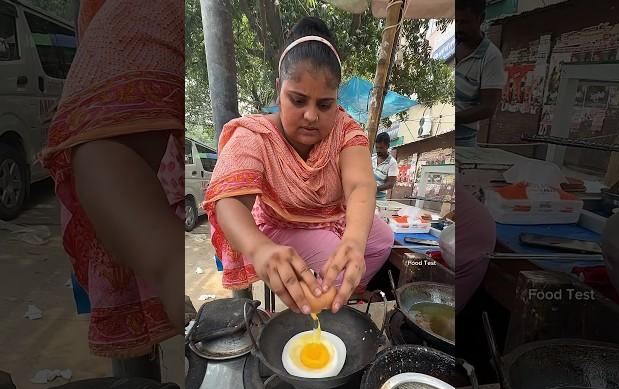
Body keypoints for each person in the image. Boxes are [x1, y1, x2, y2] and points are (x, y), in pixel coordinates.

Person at [203, 17, 394, 315]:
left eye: (324, 105)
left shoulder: (345, 128)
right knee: (337, 264)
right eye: (298, 100)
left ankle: (345, 295)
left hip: (330, 217)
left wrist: (355, 241)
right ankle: (330, 307)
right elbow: (229, 202)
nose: (310, 116)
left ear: (337, 101)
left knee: (383, 241)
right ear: (279, 88)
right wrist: (259, 248)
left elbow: (360, 185)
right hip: (282, 224)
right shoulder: (255, 134)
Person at [40, 0, 184, 362]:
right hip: (111, 182)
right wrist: (167, 261)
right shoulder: (137, 15)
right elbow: (99, 152)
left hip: (140, 170)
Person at [455, 0, 506, 147]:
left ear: (481, 18)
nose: (458, 27)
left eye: (465, 22)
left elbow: (488, 107)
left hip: (463, 142)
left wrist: (453, 119)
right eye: (455, 21)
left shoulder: (491, 57)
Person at [372, 132, 399, 200]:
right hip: (366, 197)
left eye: (381, 148)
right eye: (377, 147)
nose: (378, 150)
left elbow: (390, 184)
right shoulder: (372, 158)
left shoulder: (392, 163)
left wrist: (374, 189)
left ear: (387, 146)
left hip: (379, 200)